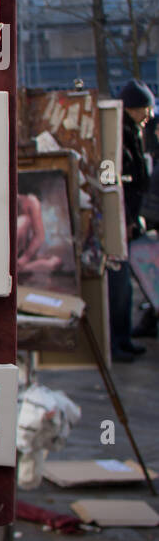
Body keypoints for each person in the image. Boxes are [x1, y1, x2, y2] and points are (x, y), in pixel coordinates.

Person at [108, 79, 154, 362]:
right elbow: (117, 176)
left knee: (124, 285)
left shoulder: (131, 131)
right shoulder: (120, 133)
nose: (148, 115)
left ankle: (122, 339)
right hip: (121, 218)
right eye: (145, 109)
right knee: (119, 284)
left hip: (127, 217)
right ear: (134, 109)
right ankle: (117, 340)